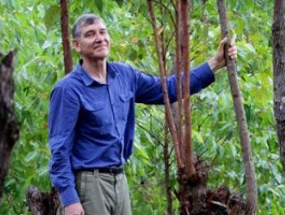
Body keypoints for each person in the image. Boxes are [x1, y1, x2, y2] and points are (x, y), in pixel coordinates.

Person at [48, 14, 237, 215]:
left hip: (119, 180)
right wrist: (69, 199)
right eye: (90, 34)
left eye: (103, 32)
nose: (99, 38)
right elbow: (59, 149)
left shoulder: (124, 75)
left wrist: (215, 63)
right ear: (76, 45)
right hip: (89, 184)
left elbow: (169, 88)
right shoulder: (68, 89)